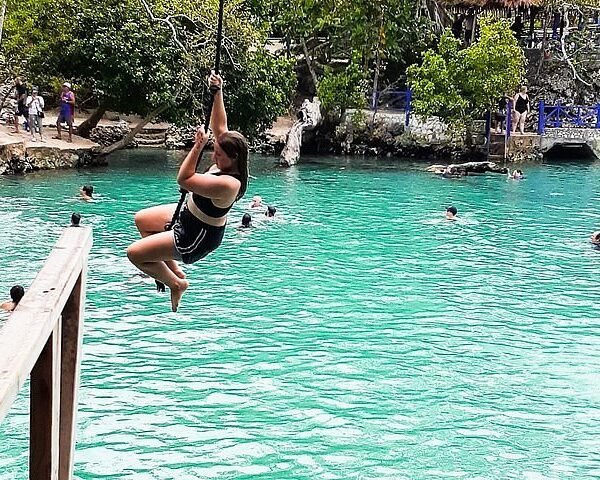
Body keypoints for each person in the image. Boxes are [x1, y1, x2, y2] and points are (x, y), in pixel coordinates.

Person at [127, 72, 249, 312]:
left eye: (218, 155)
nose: (214, 156)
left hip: (196, 236)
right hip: (188, 213)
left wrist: (197, 146)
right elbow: (220, 126)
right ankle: (174, 270)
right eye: (214, 151)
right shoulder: (228, 153)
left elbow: (184, 179)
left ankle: (176, 283)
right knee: (142, 221)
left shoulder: (230, 184)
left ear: (234, 158)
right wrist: (218, 91)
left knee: (134, 254)